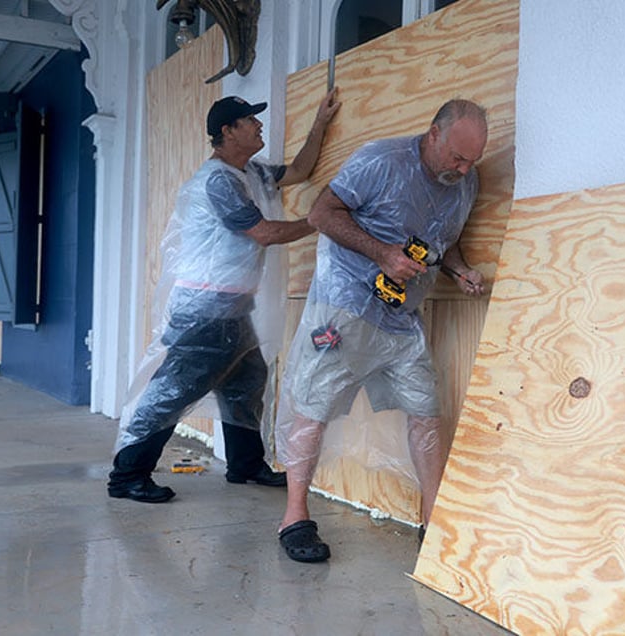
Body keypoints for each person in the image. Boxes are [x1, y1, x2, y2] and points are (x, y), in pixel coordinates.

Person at [275, 99, 488, 562]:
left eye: (472, 160)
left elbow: (443, 243)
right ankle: (294, 518)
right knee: (312, 407)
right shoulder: (381, 161)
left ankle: (433, 522)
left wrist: (460, 271)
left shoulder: (465, 182)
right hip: (344, 306)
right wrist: (382, 253)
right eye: (456, 157)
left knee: (426, 412)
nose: (464, 168)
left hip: (401, 317)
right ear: (434, 133)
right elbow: (321, 215)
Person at [107, 90, 341, 504]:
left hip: (231, 308)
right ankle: (127, 474)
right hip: (205, 309)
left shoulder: (250, 173)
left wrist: (321, 122)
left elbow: (301, 170)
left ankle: (246, 464)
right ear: (228, 131)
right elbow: (265, 233)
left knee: (247, 381)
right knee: (174, 389)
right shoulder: (217, 182)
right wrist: (319, 222)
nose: (258, 125)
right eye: (250, 120)